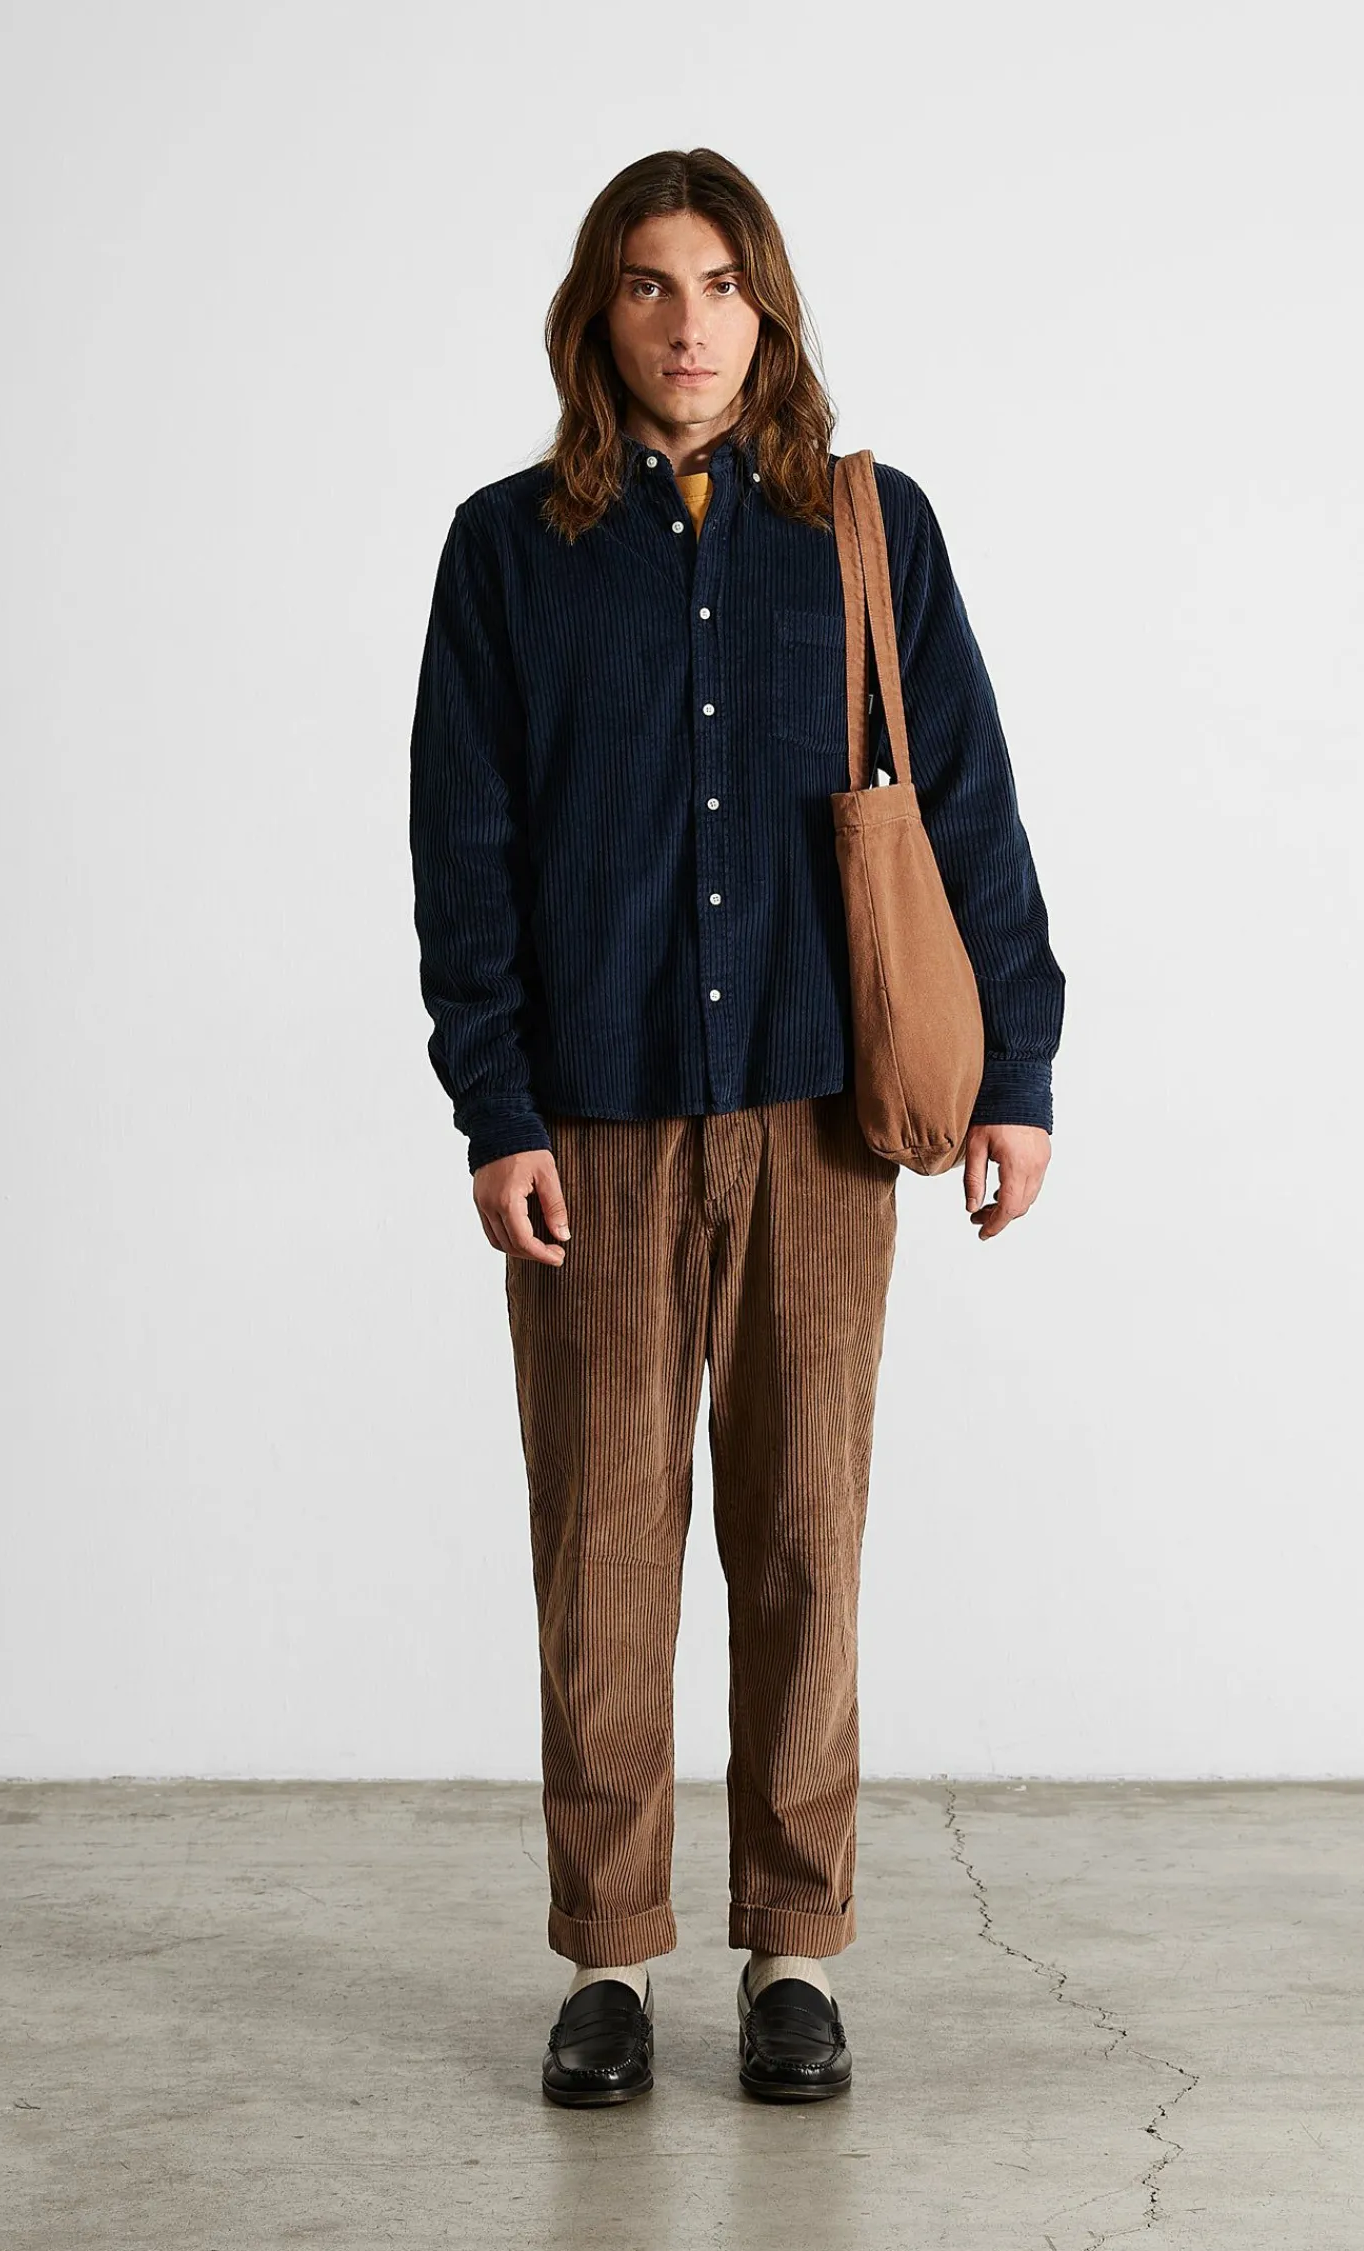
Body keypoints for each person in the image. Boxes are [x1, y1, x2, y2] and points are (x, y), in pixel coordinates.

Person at [408, 146, 1065, 2106]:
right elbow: (464, 847)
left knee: (800, 1540)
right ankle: (609, 1957)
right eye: (646, 284)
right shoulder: (507, 549)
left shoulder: (865, 528)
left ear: (767, 306)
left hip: (819, 1117)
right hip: (592, 1124)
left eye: (718, 283)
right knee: (602, 1545)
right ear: (596, 315)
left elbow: (964, 800)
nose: (685, 323)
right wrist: (495, 1105)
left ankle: (796, 1950)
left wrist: (1016, 1072)